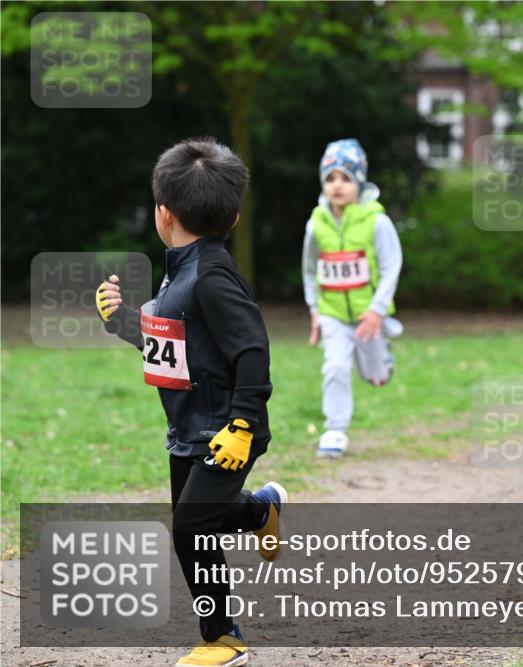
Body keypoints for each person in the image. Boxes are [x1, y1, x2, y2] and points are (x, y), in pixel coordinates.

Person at [95, 138, 286, 667]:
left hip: (227, 431)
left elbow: (252, 348)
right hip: (188, 425)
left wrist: (243, 424)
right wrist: (122, 322)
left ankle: (222, 638)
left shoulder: (212, 273)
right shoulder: (181, 268)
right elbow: (173, 344)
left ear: (164, 213)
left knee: (189, 528)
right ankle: (261, 509)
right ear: (236, 214)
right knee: (200, 521)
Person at [302, 139, 404, 458]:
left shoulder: (377, 221)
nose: (337, 186)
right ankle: (335, 430)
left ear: (359, 181)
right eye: (330, 178)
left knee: (375, 375)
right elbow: (309, 269)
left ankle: (381, 350)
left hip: (368, 316)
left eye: (345, 178)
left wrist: (376, 311)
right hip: (332, 314)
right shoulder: (315, 224)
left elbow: (391, 266)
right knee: (335, 366)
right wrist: (315, 310)